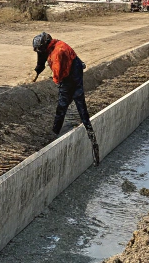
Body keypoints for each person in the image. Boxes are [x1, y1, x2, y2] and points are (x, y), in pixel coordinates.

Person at [32, 32, 100, 165]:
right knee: (78, 110)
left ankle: (55, 135)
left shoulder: (58, 52)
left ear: (45, 45)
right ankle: (90, 138)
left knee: (64, 108)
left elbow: (58, 75)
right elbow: (41, 58)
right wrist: (38, 70)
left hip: (71, 78)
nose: (39, 52)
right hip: (74, 68)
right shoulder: (52, 45)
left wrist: (56, 81)